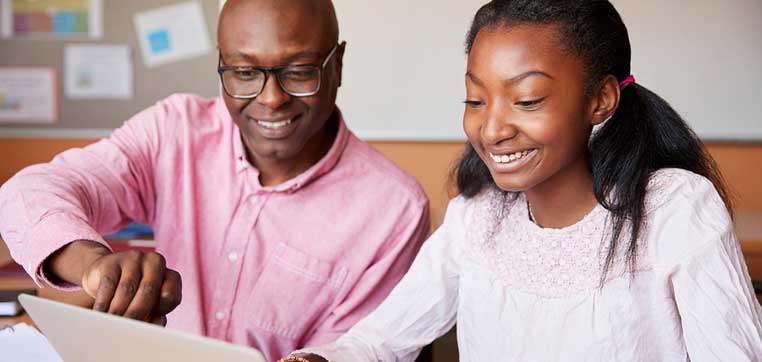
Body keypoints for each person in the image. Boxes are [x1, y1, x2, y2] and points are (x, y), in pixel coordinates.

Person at [283, 0, 762, 361]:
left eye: (527, 100)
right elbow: (381, 340)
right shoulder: (476, 218)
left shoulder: (673, 208)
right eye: (475, 100)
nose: (491, 130)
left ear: (601, 99)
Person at [0, 0, 430, 360]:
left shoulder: (393, 210)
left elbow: (352, 353)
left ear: (337, 65)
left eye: (299, 71)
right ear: (222, 65)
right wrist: (93, 266)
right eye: (244, 73)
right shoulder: (174, 130)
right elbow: (28, 193)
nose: (271, 98)